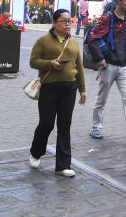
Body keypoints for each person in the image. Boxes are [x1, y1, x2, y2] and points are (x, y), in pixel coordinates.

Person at [28, 9, 86, 177]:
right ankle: (36, 152)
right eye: (64, 21)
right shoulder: (43, 41)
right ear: (54, 23)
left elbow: (79, 66)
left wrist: (82, 89)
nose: (68, 24)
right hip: (49, 87)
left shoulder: (73, 42)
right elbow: (33, 62)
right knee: (46, 124)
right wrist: (50, 64)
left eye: (69, 21)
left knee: (64, 126)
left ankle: (63, 165)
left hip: (69, 88)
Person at [85, 0, 126, 145]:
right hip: (108, 66)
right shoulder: (108, 18)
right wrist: (99, 59)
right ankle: (96, 128)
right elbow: (92, 38)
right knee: (102, 99)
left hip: (125, 66)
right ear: (118, 1)